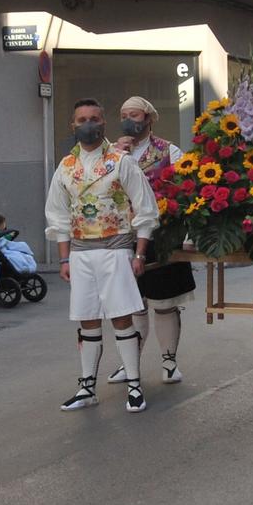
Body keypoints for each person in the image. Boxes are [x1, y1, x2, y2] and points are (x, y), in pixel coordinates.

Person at [47, 98, 158, 414]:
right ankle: (86, 387)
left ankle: (134, 385)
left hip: (116, 248)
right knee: (87, 319)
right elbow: (57, 215)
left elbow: (145, 208)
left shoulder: (121, 161)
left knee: (122, 316)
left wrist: (139, 252)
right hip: (81, 253)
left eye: (94, 118)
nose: (88, 124)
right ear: (73, 125)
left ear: (103, 123)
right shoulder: (66, 166)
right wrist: (64, 258)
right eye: (81, 119)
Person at [110, 96, 195, 386]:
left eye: (134, 115)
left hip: (159, 235)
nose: (128, 120)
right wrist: (114, 158)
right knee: (132, 305)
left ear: (149, 118)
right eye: (124, 115)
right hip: (121, 238)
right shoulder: (109, 154)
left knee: (164, 302)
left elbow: (188, 190)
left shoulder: (169, 151)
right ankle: (129, 364)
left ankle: (169, 362)